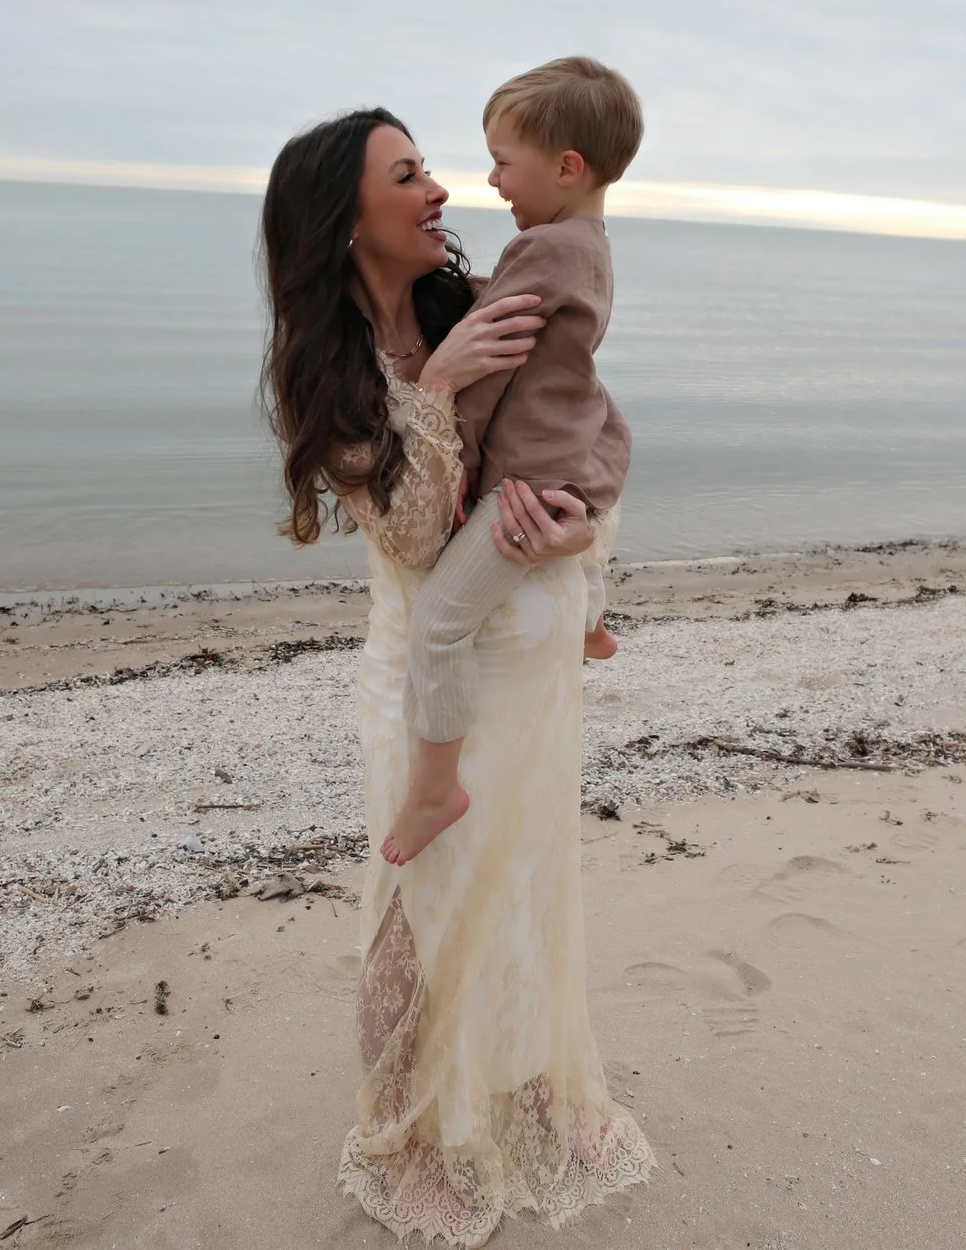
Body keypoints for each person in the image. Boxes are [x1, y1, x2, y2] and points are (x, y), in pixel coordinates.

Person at [261, 106, 655, 1246]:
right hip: (430, 678)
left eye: (430, 166)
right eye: (410, 173)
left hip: (533, 656)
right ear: (346, 219)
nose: (440, 190)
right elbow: (418, 538)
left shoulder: (468, 299)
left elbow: (580, 419)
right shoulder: (325, 366)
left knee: (522, 888)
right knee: (417, 908)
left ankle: (532, 1094)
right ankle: (411, 1131)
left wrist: (578, 524)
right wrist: (432, 384)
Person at [382, 56, 641, 868]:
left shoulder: (539, 252)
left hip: (524, 481)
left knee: (441, 623)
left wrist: (456, 461)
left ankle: (434, 789)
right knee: (568, 535)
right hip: (575, 460)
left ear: (568, 168)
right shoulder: (588, 244)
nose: (489, 182)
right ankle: (593, 620)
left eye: (503, 161)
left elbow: (491, 374)